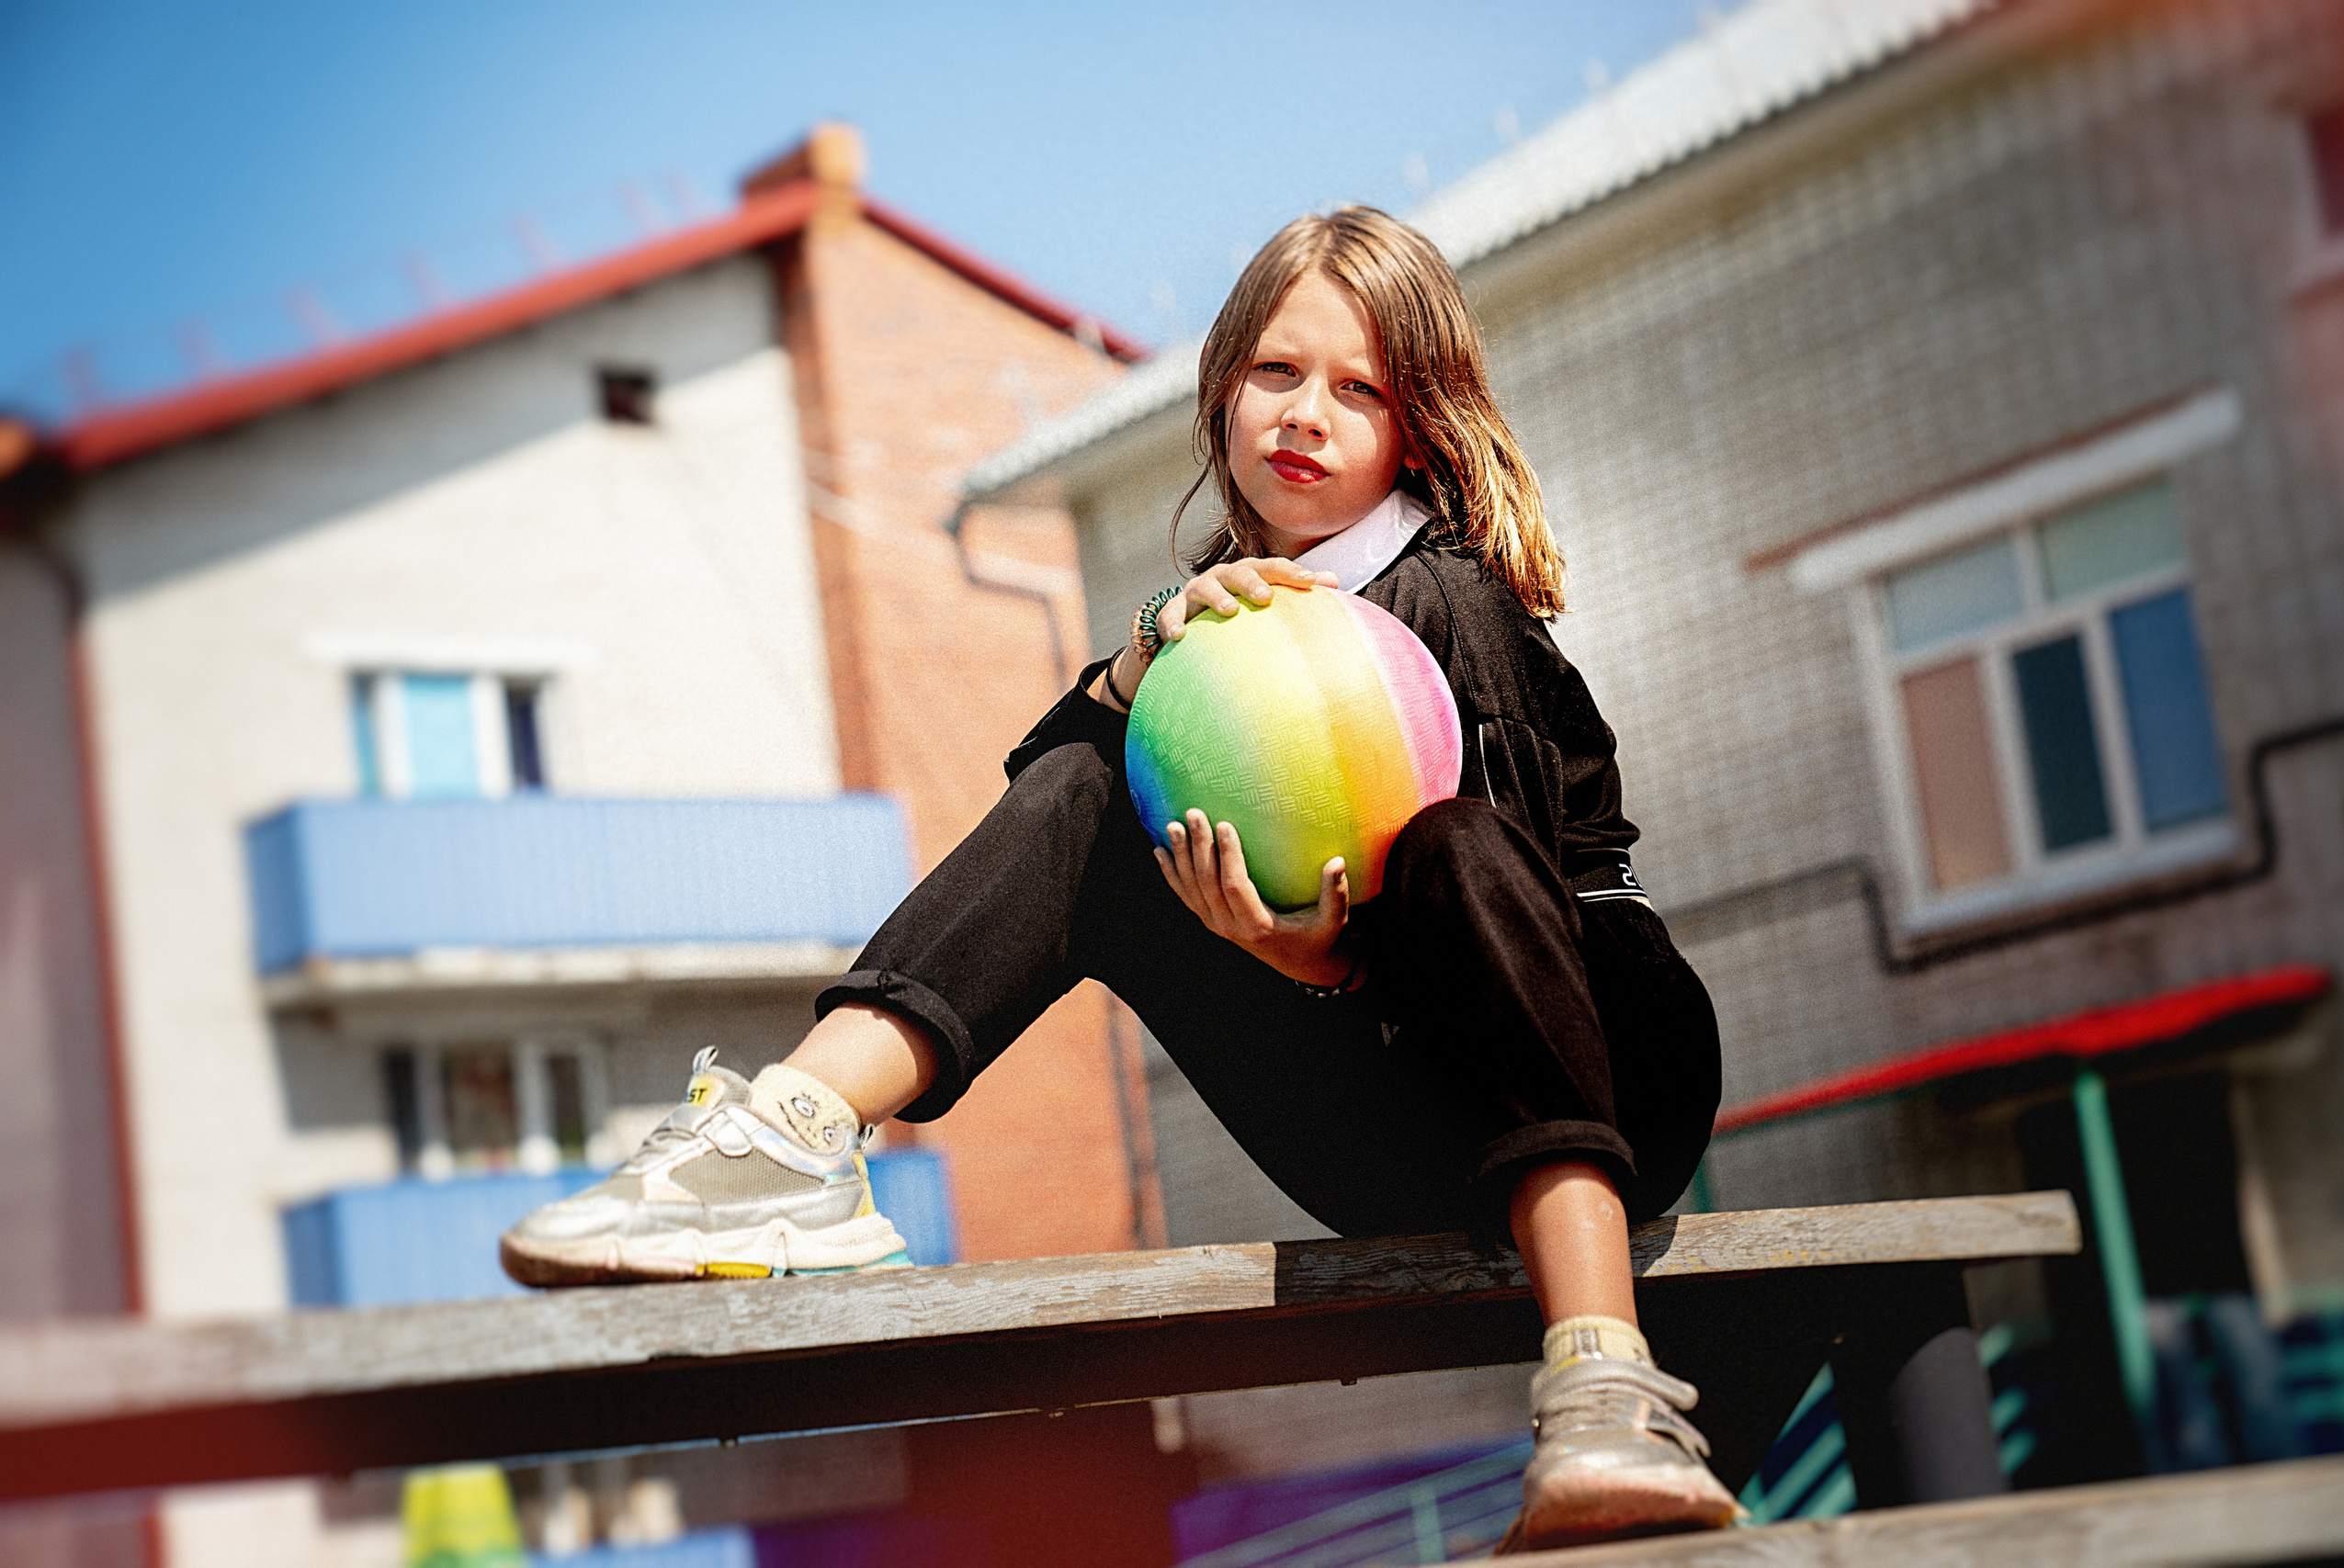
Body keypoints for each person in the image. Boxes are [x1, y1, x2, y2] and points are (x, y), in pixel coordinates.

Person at [502, 206, 1736, 1550]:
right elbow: (1049, 802)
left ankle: (1606, 1381)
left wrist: (1326, 961)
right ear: (1220, 395)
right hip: (1405, 1139)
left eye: (1358, 387)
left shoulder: (1448, 599)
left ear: (1416, 430)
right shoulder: (1227, 610)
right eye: (1275, 372)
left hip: (1605, 1079)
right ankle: (794, 1132)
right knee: (1095, 790)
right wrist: (1139, 657)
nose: (1305, 413)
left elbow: (1501, 906)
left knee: (1446, 846)